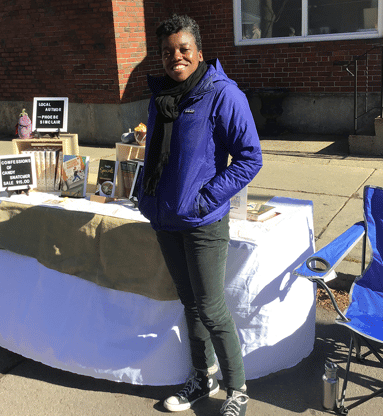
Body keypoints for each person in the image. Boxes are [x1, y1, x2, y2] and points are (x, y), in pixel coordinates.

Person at [135, 15, 262, 416]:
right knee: (189, 304)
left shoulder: (222, 94)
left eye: (183, 49)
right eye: (167, 52)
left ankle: (237, 388)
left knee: (211, 307)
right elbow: (158, 154)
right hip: (165, 218)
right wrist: (144, 195)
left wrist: (206, 199)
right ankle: (201, 378)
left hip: (202, 220)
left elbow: (249, 157)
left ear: (199, 52)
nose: (176, 57)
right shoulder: (162, 97)